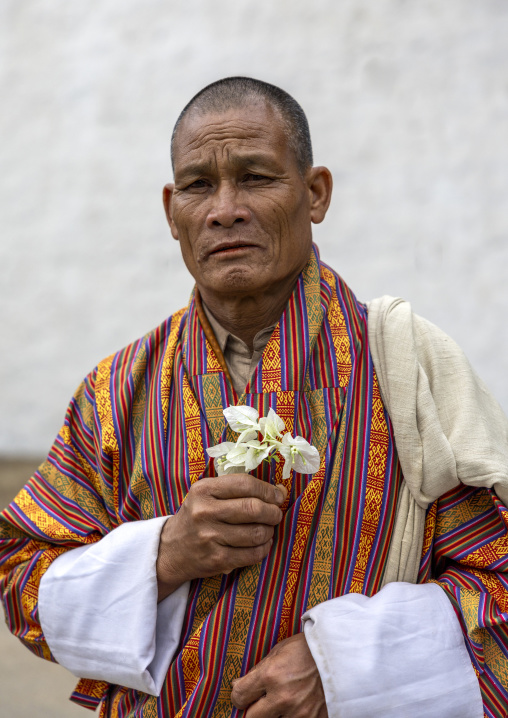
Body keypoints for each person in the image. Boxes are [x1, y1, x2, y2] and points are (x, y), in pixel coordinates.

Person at [1, 77, 508, 718]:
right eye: (197, 185)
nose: (224, 209)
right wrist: (161, 555)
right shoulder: (117, 391)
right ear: (171, 210)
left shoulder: (407, 367)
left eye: (257, 177)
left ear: (315, 193)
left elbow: (500, 584)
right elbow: (22, 579)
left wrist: (344, 667)